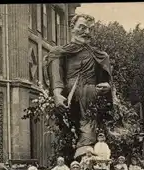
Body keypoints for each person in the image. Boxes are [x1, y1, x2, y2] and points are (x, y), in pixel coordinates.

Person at [46, 13, 113, 159]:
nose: (87, 32)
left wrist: (107, 87)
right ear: (72, 28)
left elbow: (105, 80)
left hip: (90, 96)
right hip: (68, 95)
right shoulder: (59, 52)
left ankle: (85, 152)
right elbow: (56, 75)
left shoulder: (99, 55)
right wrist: (57, 94)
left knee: (88, 97)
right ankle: (77, 152)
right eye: (82, 27)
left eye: (90, 29)